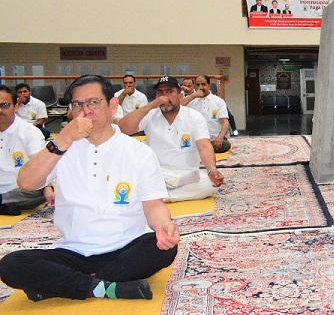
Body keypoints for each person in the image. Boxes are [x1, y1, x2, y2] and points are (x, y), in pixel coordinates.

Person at [0, 75, 179, 302]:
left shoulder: (138, 152)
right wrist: (64, 139)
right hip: (74, 251)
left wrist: (164, 225)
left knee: (162, 247)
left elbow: (153, 205)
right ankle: (103, 286)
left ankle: (66, 284)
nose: (85, 110)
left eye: (93, 102)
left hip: (124, 247)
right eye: (78, 105)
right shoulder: (62, 148)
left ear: (112, 106)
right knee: (11, 264)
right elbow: (26, 183)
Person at [117, 76, 224, 202]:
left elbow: (204, 146)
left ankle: (159, 197)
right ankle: (164, 192)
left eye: (169, 91)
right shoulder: (150, 114)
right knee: (135, 175)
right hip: (158, 172)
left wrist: (212, 170)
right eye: (160, 92)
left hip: (186, 174)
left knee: (209, 184)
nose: (165, 96)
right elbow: (123, 129)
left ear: (180, 96)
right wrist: (151, 105)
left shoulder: (194, 116)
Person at [0, 85, 48, 215]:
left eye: (4, 105)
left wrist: (47, 188)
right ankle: (4, 206)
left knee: (38, 192)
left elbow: (39, 165)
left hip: (18, 189)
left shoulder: (29, 131)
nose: (0, 110)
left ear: (15, 106)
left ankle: (3, 203)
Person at [183, 75, 232, 154]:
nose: (200, 87)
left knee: (225, 145)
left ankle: (204, 147)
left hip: (214, 138)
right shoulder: (190, 100)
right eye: (198, 85)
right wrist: (194, 95)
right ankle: (205, 147)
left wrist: (219, 138)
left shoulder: (218, 101)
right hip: (196, 139)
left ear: (209, 86)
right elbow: (177, 107)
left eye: (203, 84)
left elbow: (225, 123)